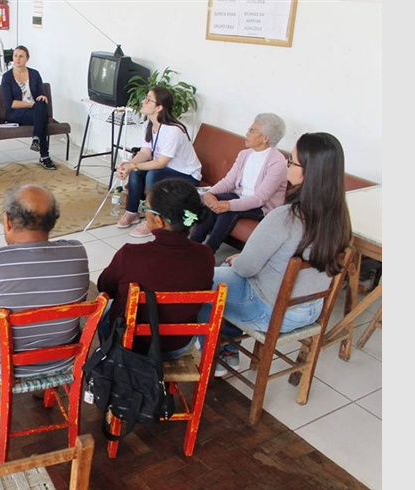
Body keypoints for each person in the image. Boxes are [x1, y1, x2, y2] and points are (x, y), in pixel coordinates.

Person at [199, 132, 352, 376]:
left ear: (309, 172)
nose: (286, 165)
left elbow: (246, 268)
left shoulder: (285, 216)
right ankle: (227, 344)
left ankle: (217, 353)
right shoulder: (339, 218)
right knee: (225, 275)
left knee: (199, 283)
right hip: (311, 309)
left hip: (271, 311)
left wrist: (241, 260)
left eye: (291, 161)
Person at [0, 184, 89, 409]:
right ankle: (43, 388)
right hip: (63, 359)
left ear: (8, 221)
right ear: (52, 222)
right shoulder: (77, 254)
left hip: (6, 362)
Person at [97, 179, 214, 358]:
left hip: (132, 345)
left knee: (102, 309)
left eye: (145, 208)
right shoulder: (206, 255)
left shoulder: (131, 254)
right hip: (178, 345)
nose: (144, 212)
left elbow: (104, 287)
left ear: (158, 220)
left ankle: (110, 360)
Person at [190, 113, 288, 253]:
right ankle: (192, 246)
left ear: (265, 138)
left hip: (262, 208)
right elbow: (229, 181)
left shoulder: (277, 163)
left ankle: (207, 253)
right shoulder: (245, 154)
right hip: (239, 198)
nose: (246, 134)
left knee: (228, 212)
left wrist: (229, 205)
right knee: (211, 203)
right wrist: (210, 193)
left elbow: (260, 198)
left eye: (252, 131)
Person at [115, 86, 202, 238]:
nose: (144, 101)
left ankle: (152, 219)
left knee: (152, 174)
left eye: (149, 99)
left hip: (187, 175)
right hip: (166, 169)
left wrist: (133, 165)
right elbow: (145, 153)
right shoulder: (148, 125)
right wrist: (128, 165)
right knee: (137, 172)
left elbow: (161, 162)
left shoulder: (173, 130)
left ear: (159, 107)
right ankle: (132, 212)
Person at [1, 45, 55, 170]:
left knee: (41, 107)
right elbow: (11, 104)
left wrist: (43, 98)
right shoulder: (7, 77)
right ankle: (44, 156)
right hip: (16, 113)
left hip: (34, 111)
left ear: (27, 58)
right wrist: (32, 104)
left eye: (21, 56)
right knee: (41, 117)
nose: (17, 59)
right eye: (15, 56)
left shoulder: (35, 74)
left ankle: (36, 138)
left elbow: (40, 95)